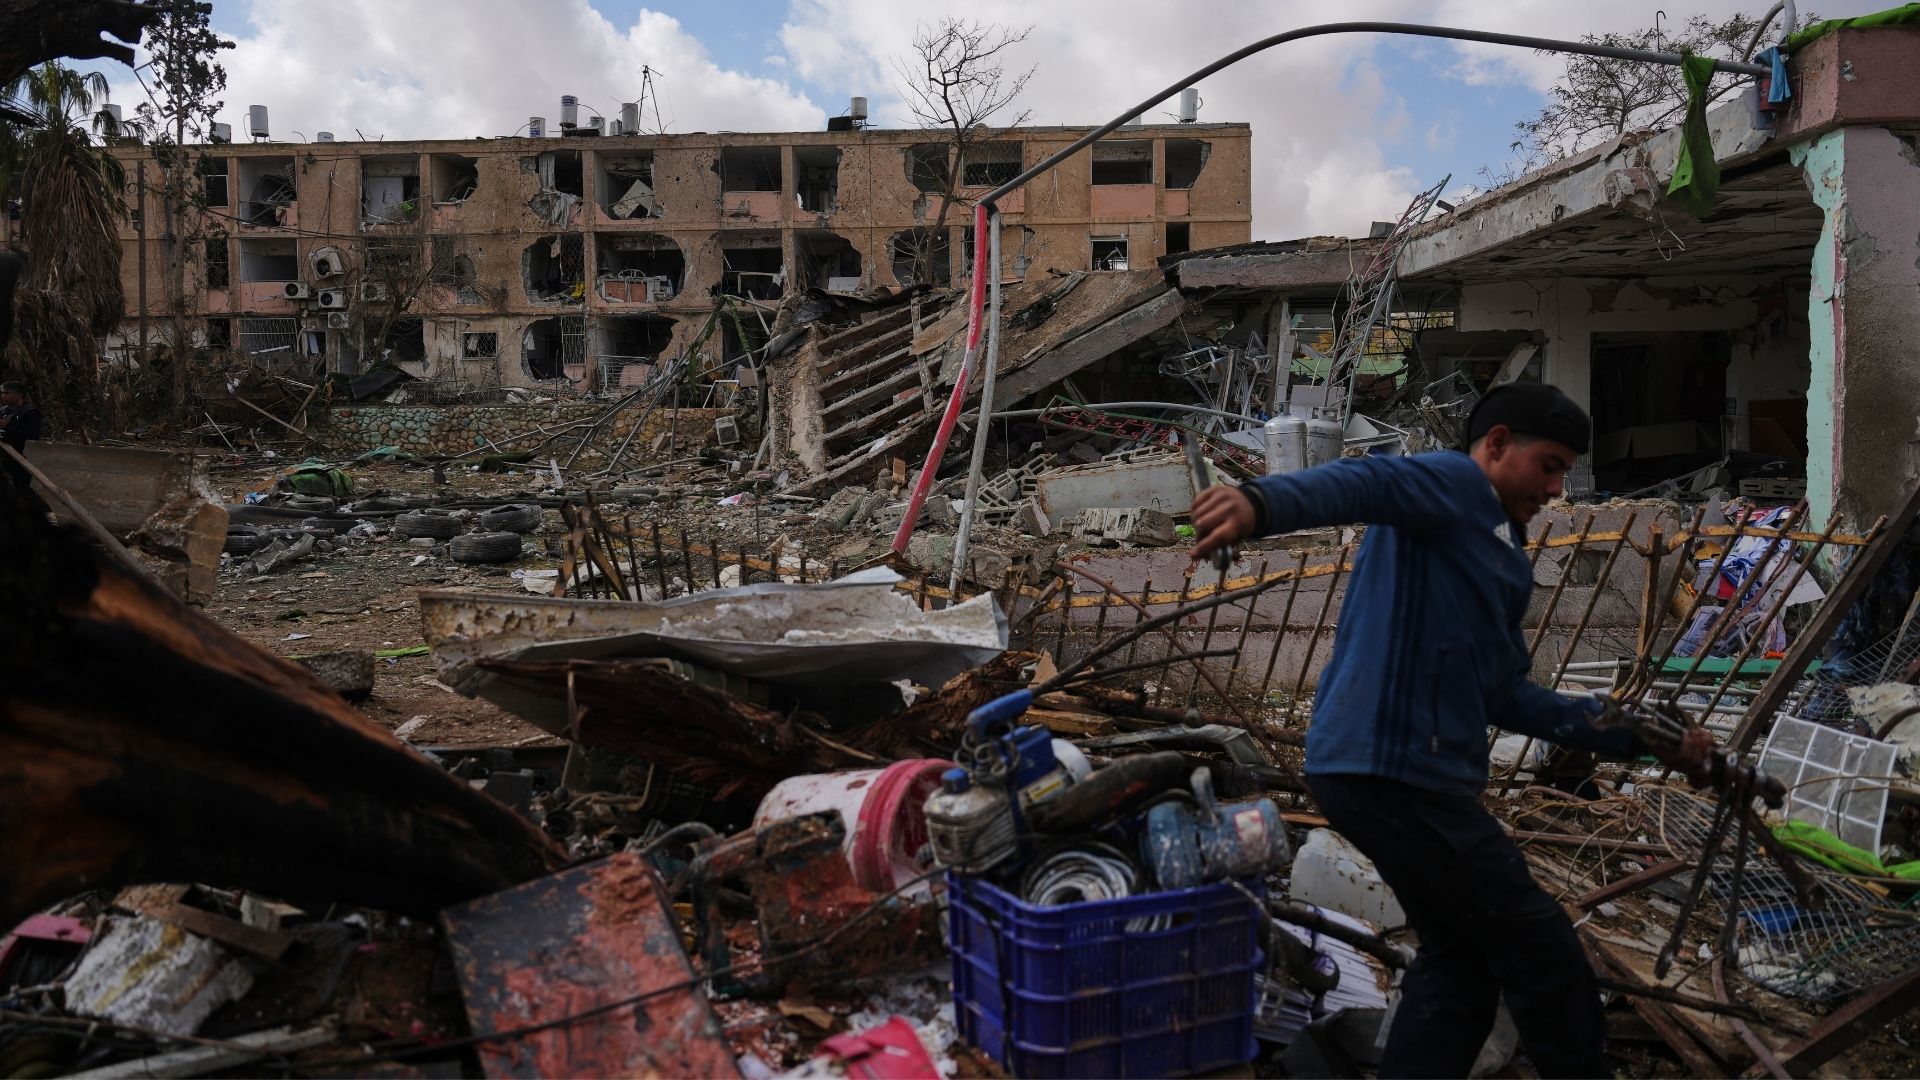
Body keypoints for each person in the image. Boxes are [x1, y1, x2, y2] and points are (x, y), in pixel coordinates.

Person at [1189, 381, 1710, 1079]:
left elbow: (1505, 694)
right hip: (1394, 770)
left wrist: (1636, 733)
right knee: (1545, 953)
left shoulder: (1501, 553)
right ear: (1496, 444)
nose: (1556, 488)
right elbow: (1366, 482)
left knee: (1461, 967)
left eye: (1564, 472)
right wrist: (1261, 503)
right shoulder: (1453, 483)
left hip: (1400, 778)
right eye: (1549, 465)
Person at [1, 380, 42, 492]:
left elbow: (31, 437)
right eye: (2, 393)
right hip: (3, 458)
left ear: (19, 395)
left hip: (21, 459)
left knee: (20, 491)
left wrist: (7, 427)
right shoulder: (3, 411)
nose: (3, 396)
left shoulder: (30, 413)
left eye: (7, 393)